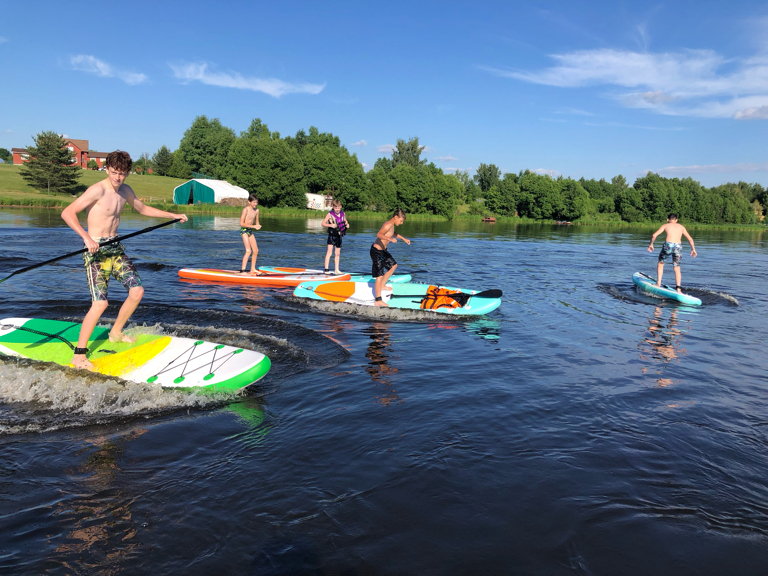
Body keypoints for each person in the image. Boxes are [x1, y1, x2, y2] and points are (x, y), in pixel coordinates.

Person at [61, 150, 188, 370]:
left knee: (137, 291)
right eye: (113, 172)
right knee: (100, 304)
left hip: (115, 249)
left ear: (127, 172)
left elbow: (143, 209)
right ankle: (79, 355)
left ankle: (115, 333)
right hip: (95, 253)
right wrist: (87, 238)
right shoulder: (97, 190)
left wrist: (172, 215)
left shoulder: (126, 190)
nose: (117, 177)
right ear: (107, 169)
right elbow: (67, 213)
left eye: (121, 173)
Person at [647, 213, 697, 293]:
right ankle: (678, 289)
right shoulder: (681, 227)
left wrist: (651, 244)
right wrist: (693, 249)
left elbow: (654, 235)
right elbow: (690, 239)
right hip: (678, 247)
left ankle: (658, 283)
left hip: (668, 245)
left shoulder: (665, 225)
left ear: (668, 219)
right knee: (677, 267)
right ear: (676, 220)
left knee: (661, 263)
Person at [371, 208, 410, 307]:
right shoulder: (388, 224)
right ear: (396, 217)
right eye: (401, 221)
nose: (401, 223)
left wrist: (404, 239)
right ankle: (378, 300)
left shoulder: (392, 226)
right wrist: (389, 239)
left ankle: (383, 285)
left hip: (383, 251)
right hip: (376, 251)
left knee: (393, 265)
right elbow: (379, 234)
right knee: (379, 275)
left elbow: (394, 234)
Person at [321, 199, 349, 274]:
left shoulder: (343, 214)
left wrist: (347, 224)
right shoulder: (330, 214)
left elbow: (345, 221)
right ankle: (326, 269)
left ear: (340, 207)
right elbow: (323, 223)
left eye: (338, 208)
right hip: (332, 236)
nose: (337, 210)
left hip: (339, 236)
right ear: (333, 207)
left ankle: (337, 269)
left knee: (337, 253)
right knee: (329, 252)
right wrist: (330, 225)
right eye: (335, 208)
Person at [239, 194, 263, 275]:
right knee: (248, 250)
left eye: (256, 202)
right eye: (253, 202)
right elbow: (241, 224)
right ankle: (243, 270)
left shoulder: (257, 210)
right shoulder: (245, 210)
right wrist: (254, 226)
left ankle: (252, 269)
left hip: (250, 231)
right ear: (249, 202)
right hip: (244, 231)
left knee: (256, 250)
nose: (255, 204)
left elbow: (257, 221)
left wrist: (258, 225)